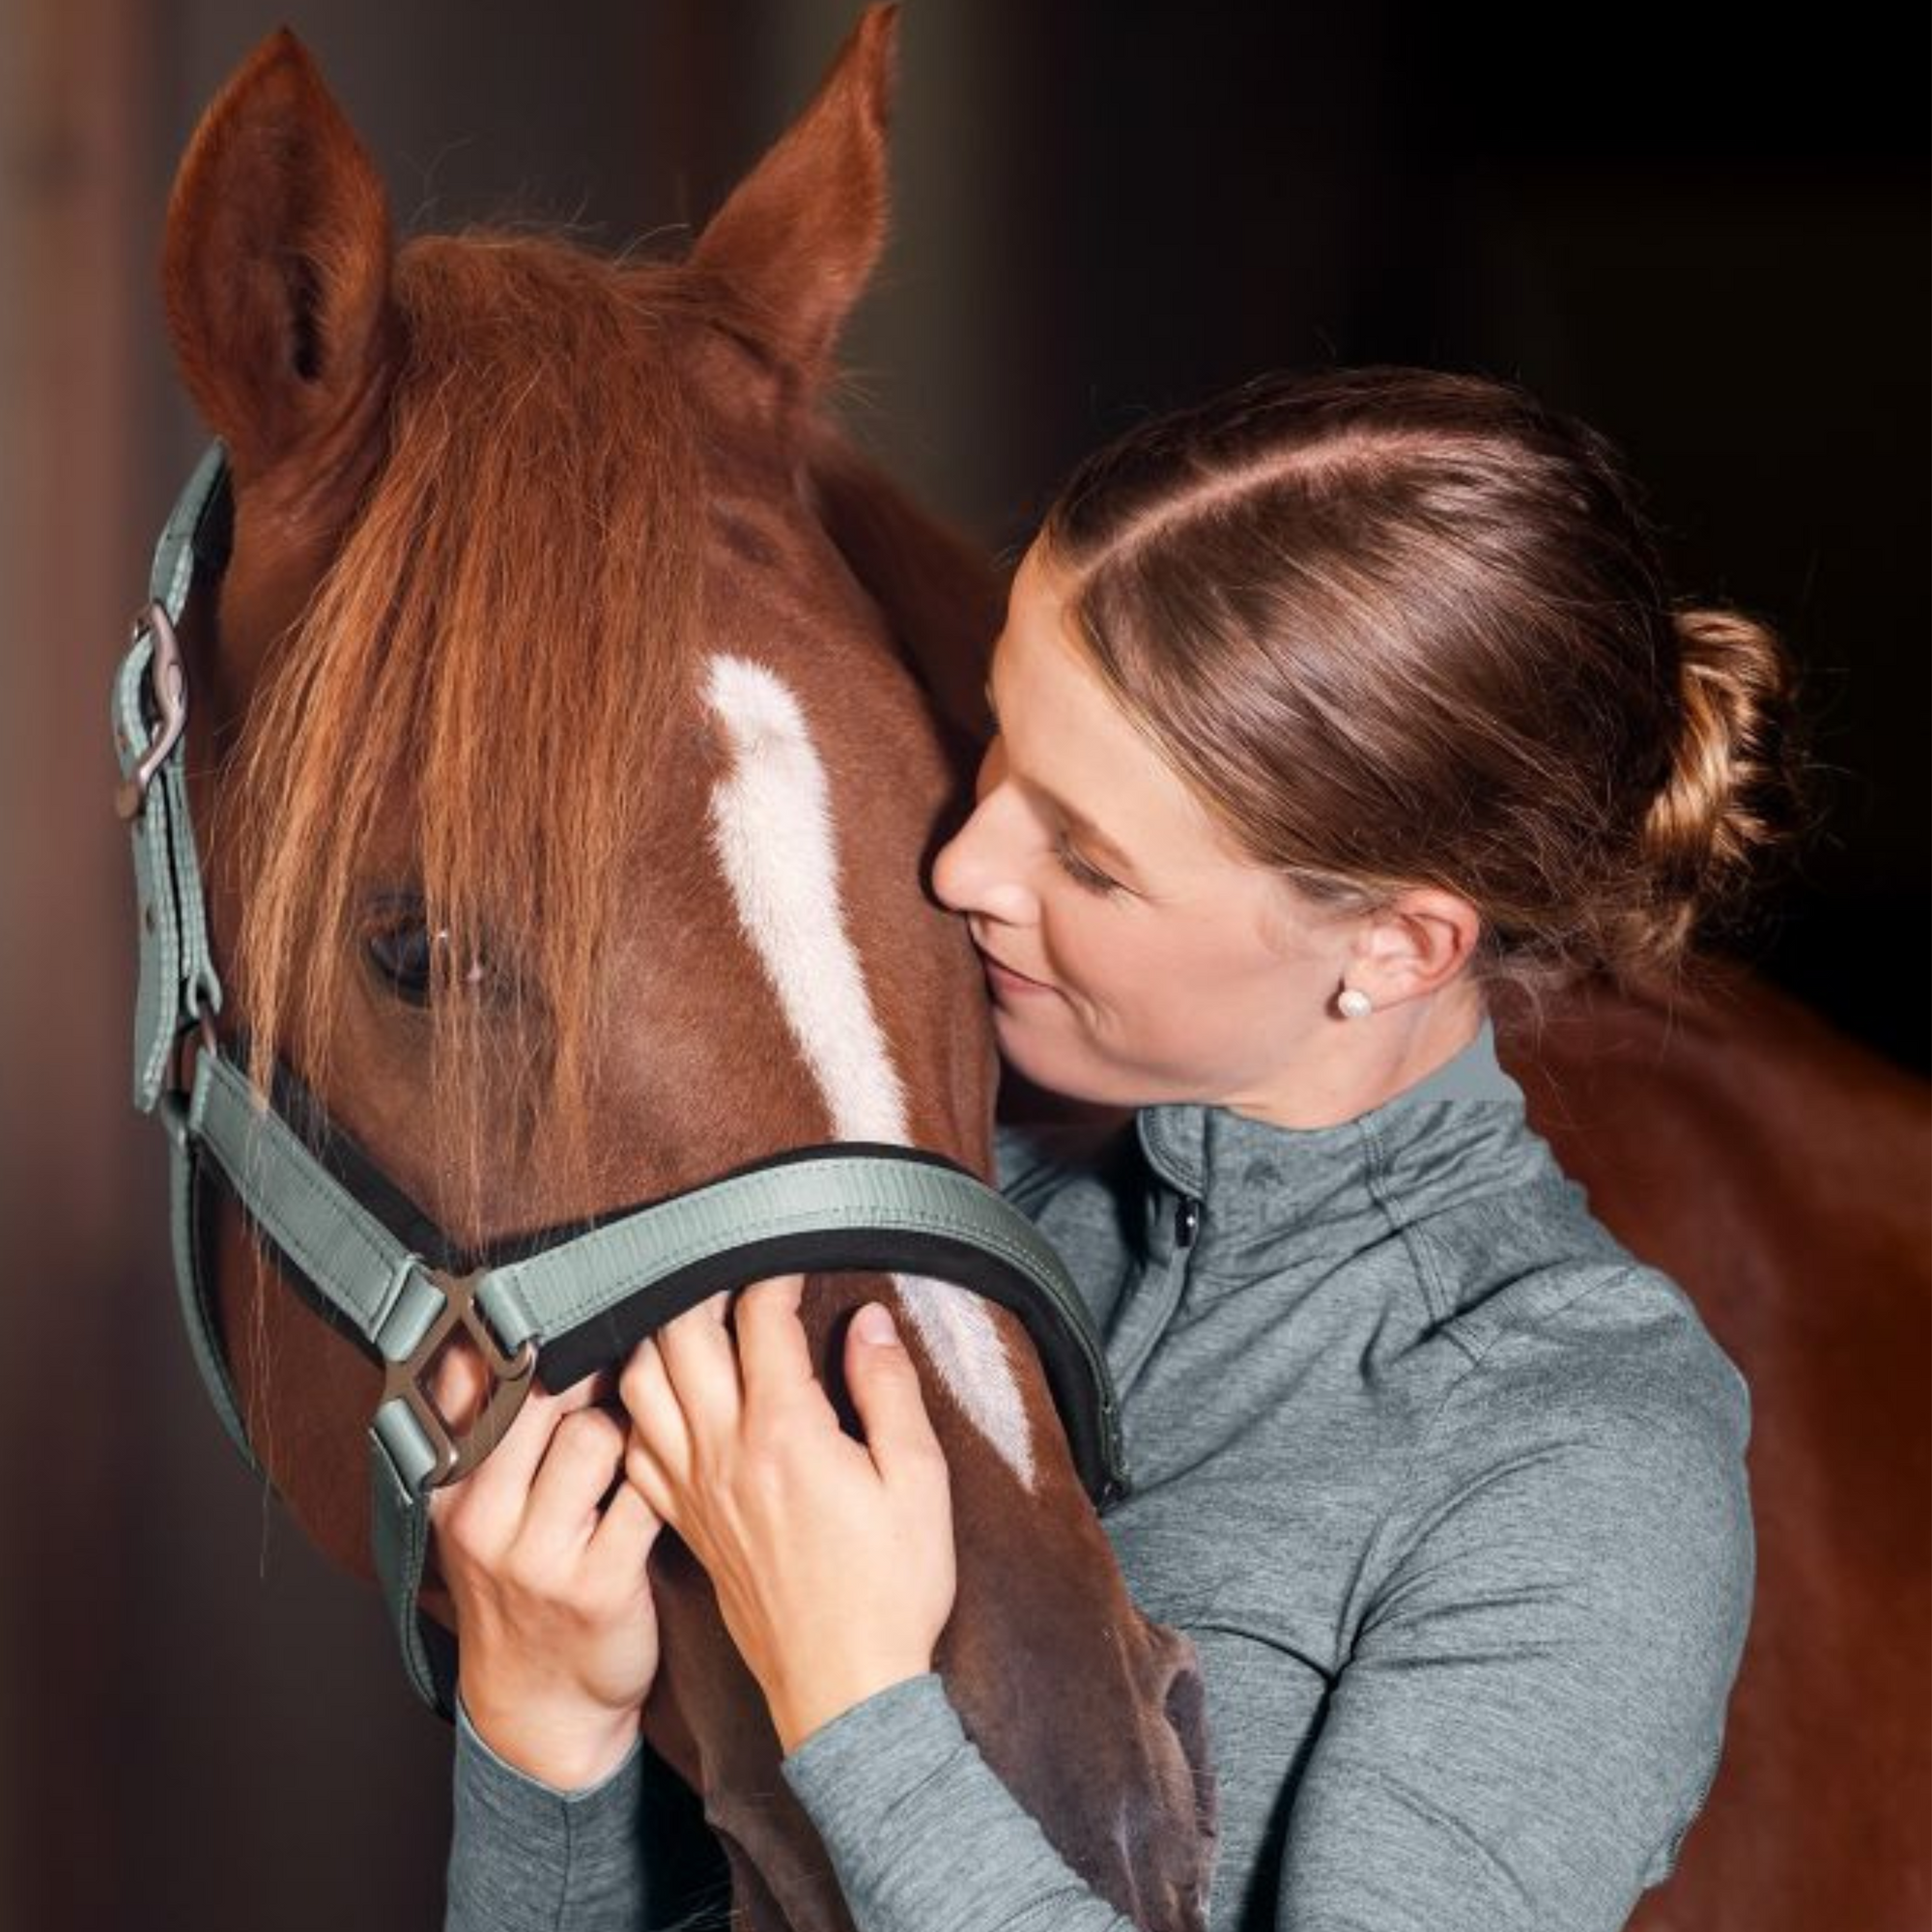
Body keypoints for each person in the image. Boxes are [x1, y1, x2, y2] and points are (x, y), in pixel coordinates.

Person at [433, 364, 1805, 1930]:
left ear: (1400, 947)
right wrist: (547, 1744)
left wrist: (855, 1704)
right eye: (1004, 743)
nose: (961, 865)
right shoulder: (946, 1215)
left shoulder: (1583, 1451)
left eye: (1087, 857)